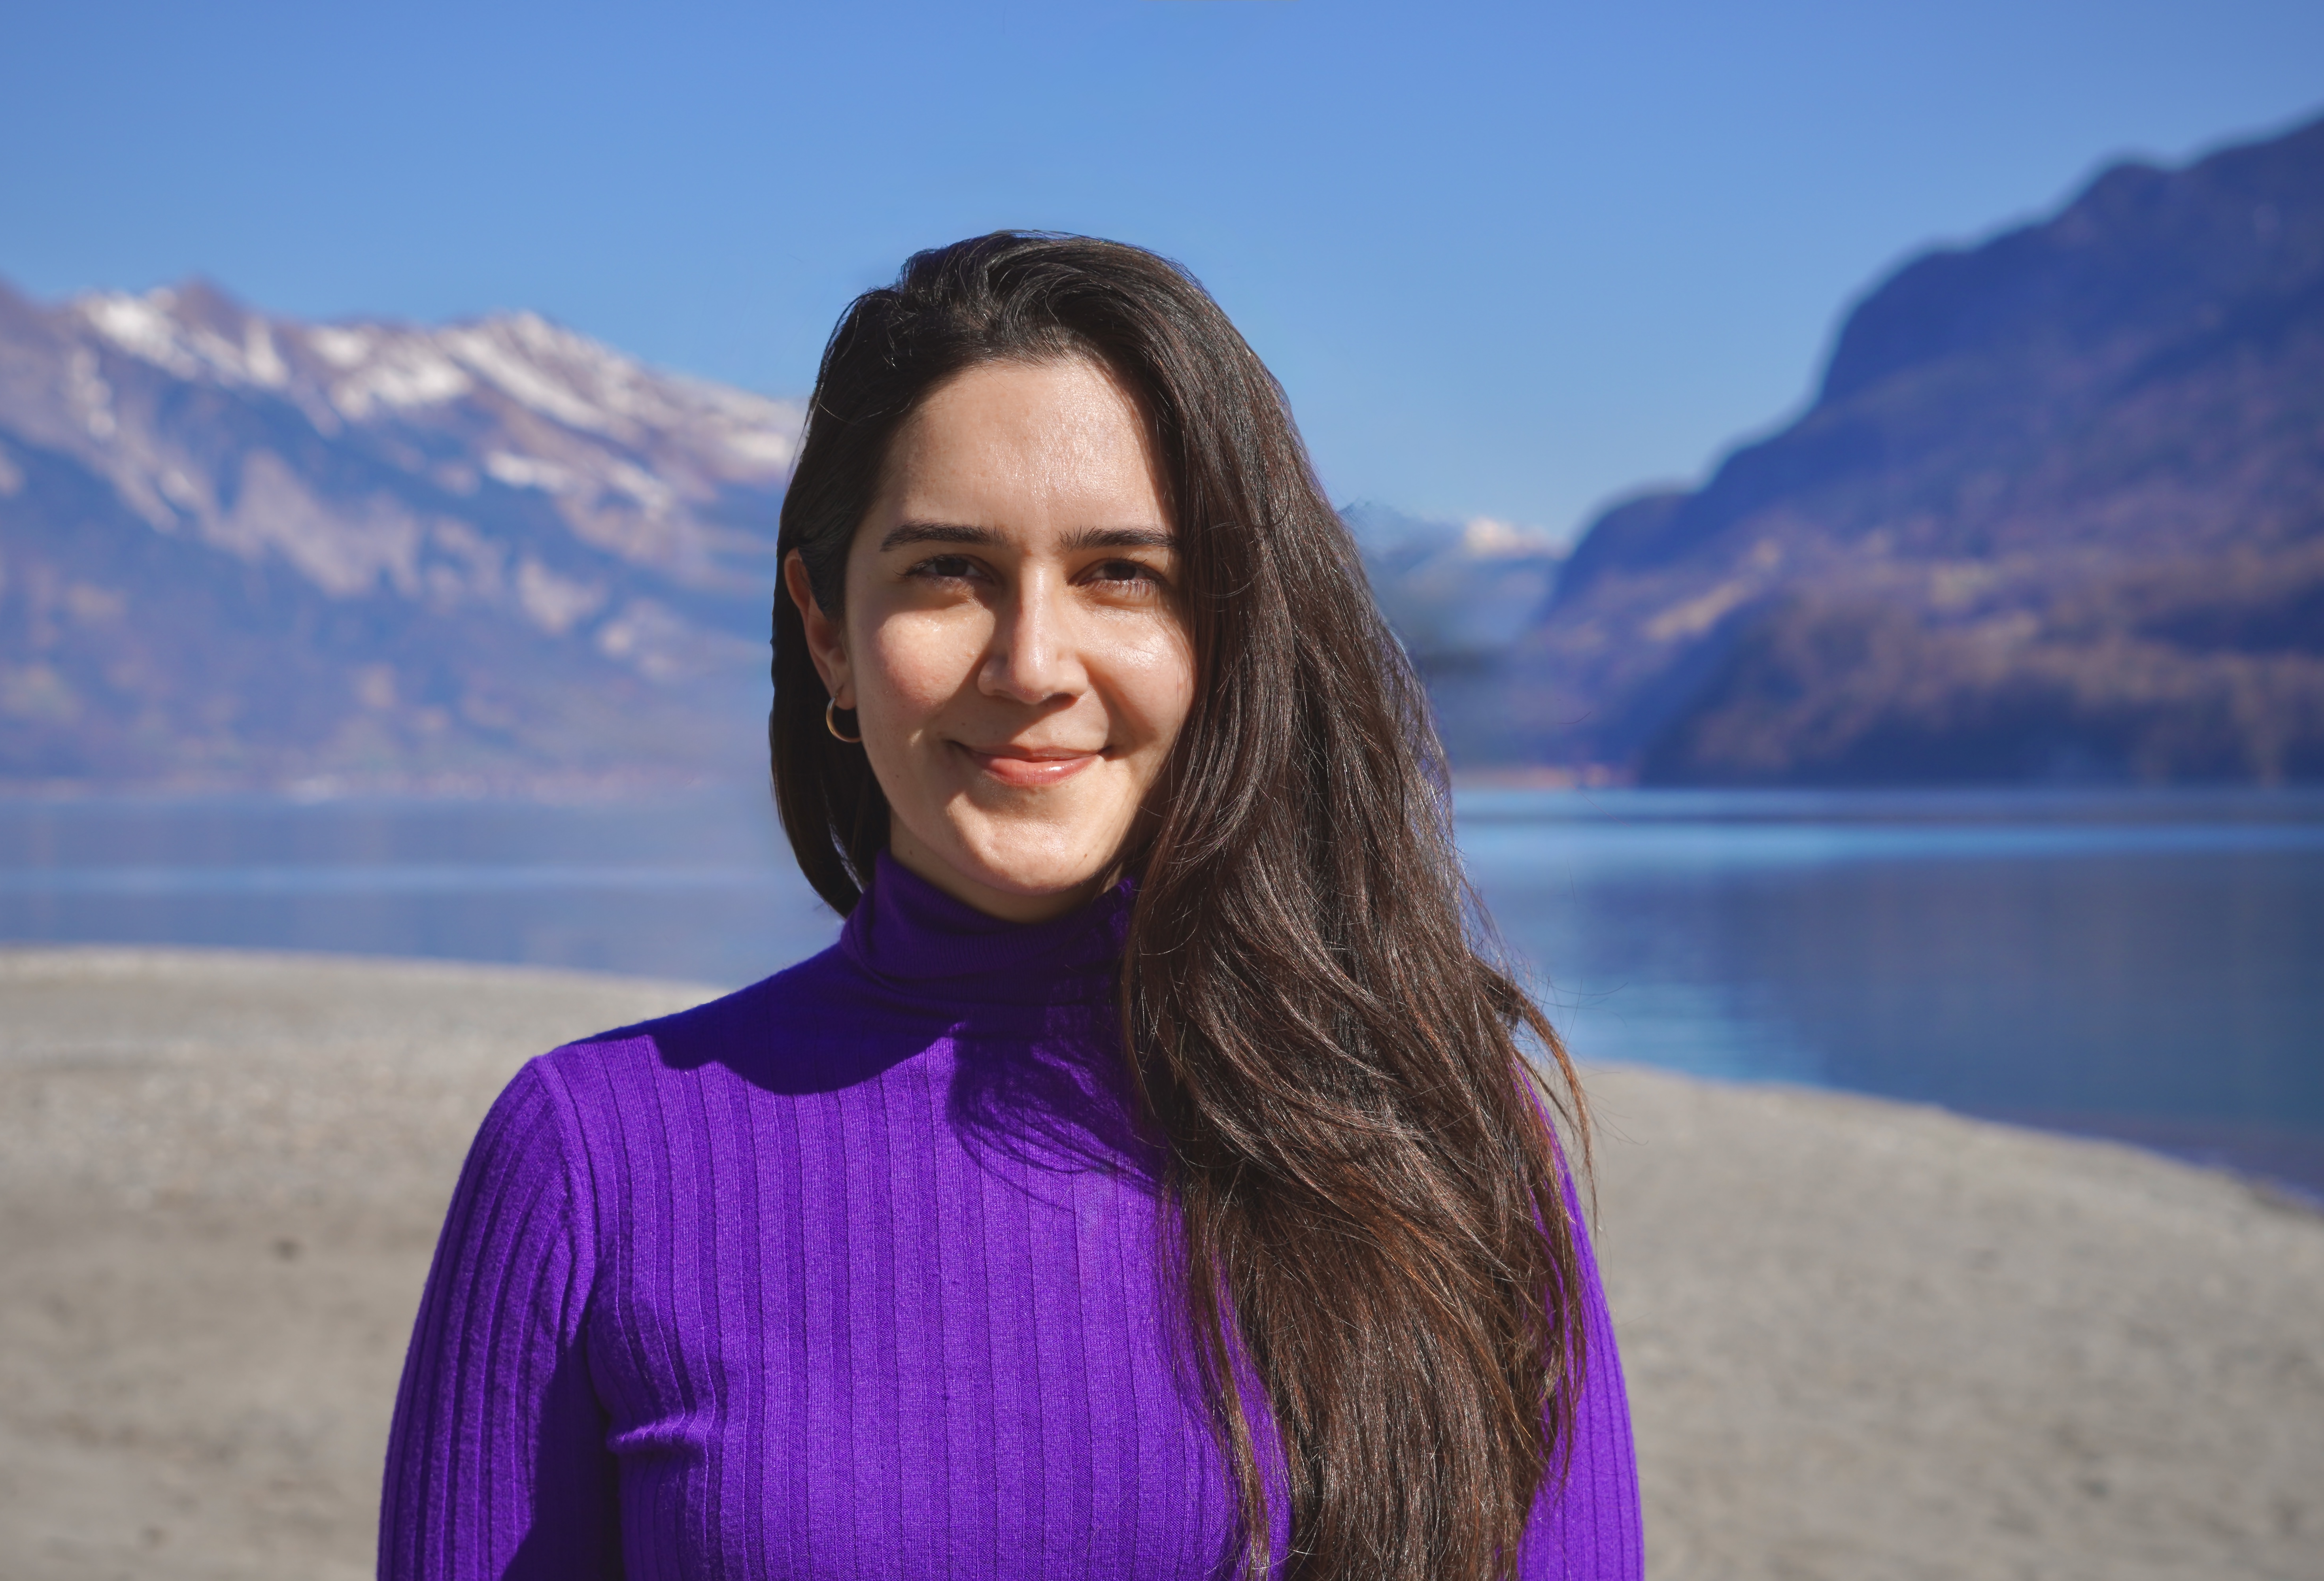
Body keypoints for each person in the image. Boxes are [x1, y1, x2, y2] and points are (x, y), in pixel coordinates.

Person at [380, 233, 1641, 1580]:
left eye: (1122, 575)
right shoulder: (592, 1166)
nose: (1033, 662)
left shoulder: (1443, 1145)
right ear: (826, 630)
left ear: (1223, 637)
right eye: (946, 570)